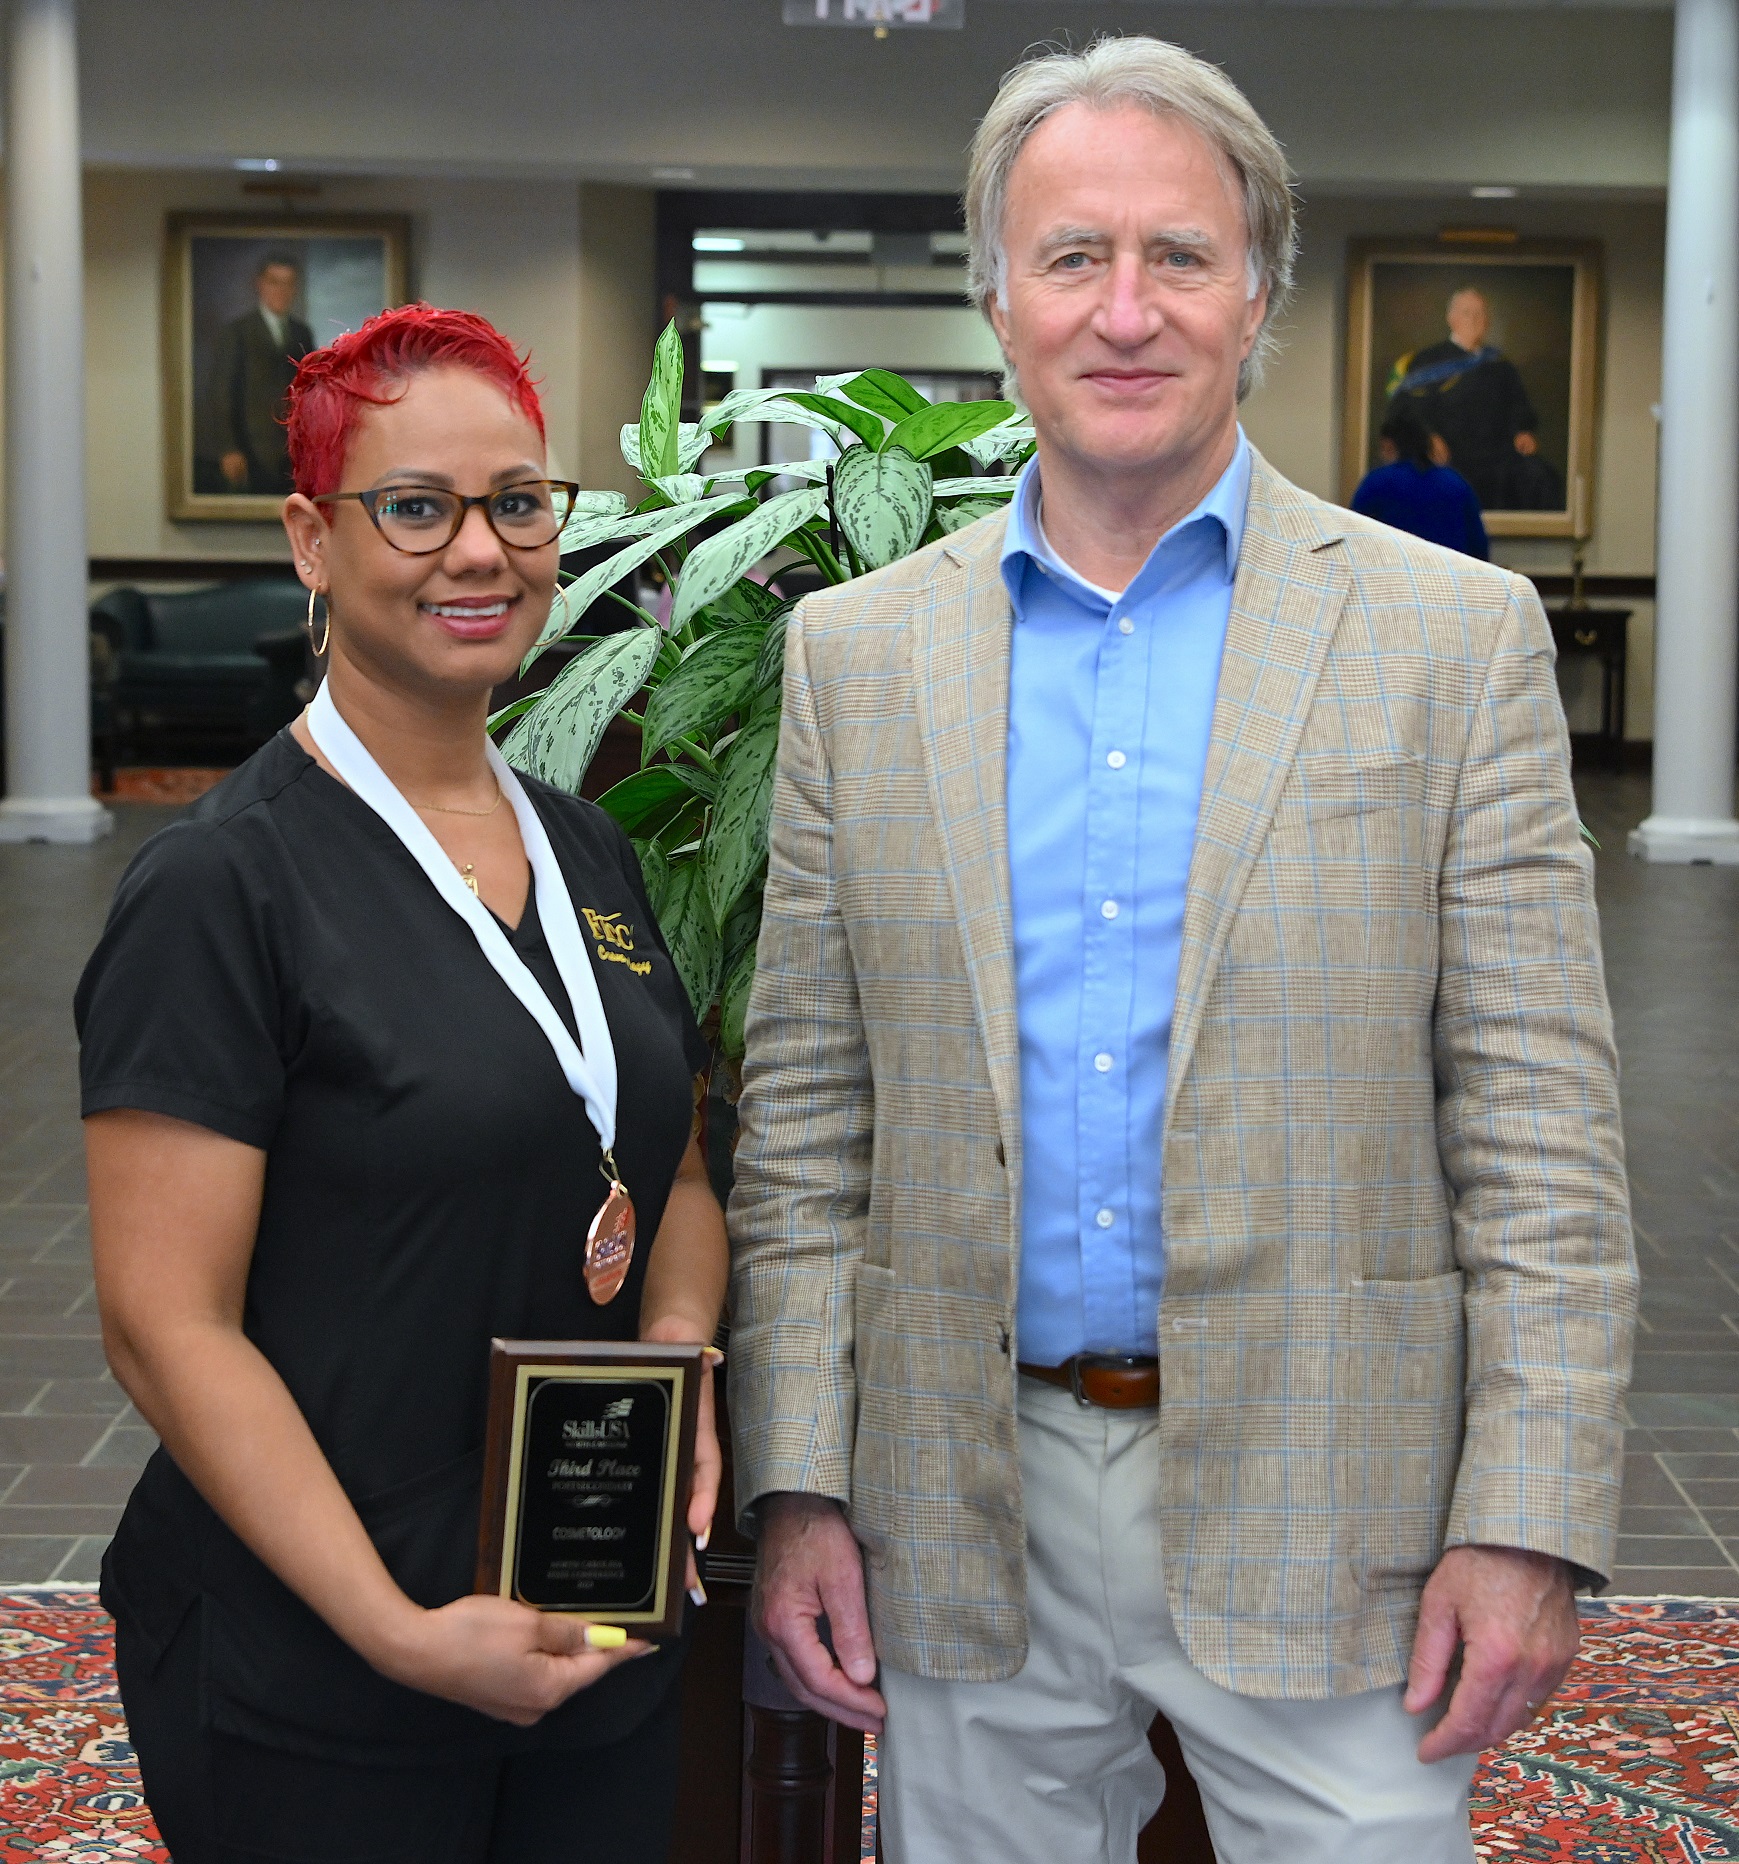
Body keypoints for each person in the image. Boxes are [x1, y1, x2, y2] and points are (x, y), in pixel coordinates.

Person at [728, 36, 1633, 1864]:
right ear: (994, 290)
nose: (1121, 310)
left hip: (1337, 1492)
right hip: (960, 1492)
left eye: (1178, 256)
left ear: (1256, 295)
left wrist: (1524, 1510)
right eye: (1069, 256)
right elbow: (808, 1126)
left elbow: (1538, 1128)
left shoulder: (1448, 644)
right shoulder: (853, 657)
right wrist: (800, 1481)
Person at [78, 304, 727, 1861]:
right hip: (324, 1668)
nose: (482, 551)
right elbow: (165, 1330)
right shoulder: (222, 890)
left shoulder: (591, 851)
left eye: (518, 502)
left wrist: (682, 1357)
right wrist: (394, 1629)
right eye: (417, 508)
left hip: (588, 1632)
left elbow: (676, 1177)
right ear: (312, 539)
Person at [1385, 286, 1562, 510]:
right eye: (1468, 313)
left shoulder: (1500, 364)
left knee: (1540, 475)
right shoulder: (1427, 361)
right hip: (1447, 454)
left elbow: (1519, 406)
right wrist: (1428, 436)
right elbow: (1406, 408)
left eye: (1481, 314)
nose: (1476, 320)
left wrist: (1523, 431)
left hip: (1498, 456)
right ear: (1452, 319)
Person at [207, 252, 315, 494]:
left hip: (292, 452)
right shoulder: (237, 332)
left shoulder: (302, 333)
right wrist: (229, 449)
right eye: (274, 282)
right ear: (260, 284)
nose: (281, 290)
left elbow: (310, 391)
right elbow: (221, 395)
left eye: (288, 283)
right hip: (249, 450)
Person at [1352, 402, 1489, 558]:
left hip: (1393, 577)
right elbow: (1478, 547)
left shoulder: (1376, 484)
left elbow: (1353, 542)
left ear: (1388, 445)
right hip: (1451, 579)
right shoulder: (1456, 484)